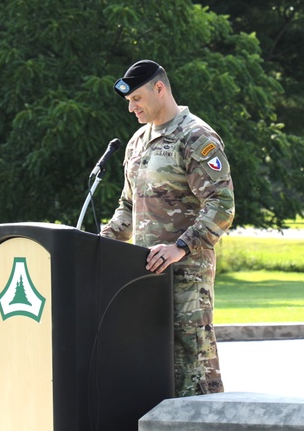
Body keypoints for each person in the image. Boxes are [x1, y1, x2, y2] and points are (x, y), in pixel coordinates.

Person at [100, 59, 235, 397]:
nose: (132, 108)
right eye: (128, 101)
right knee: (152, 367)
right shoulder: (137, 142)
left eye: (137, 99)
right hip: (143, 276)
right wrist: (98, 243)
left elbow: (222, 205)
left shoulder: (195, 136)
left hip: (187, 276)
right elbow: (128, 208)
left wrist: (180, 247)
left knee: (194, 368)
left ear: (160, 89)